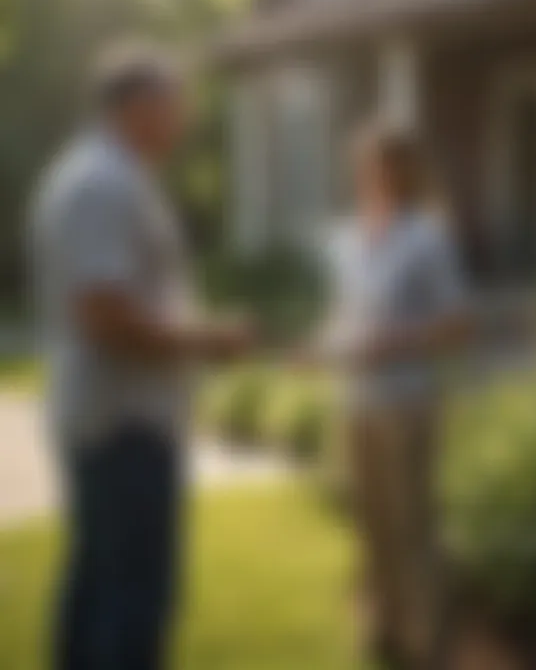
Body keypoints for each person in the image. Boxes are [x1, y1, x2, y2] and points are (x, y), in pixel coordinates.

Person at [30, 42, 257, 670]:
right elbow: (103, 315)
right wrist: (208, 339)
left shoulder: (106, 175)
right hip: (124, 425)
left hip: (115, 419)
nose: (184, 119)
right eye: (175, 103)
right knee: (131, 603)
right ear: (140, 106)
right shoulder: (103, 183)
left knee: (98, 588)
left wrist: (197, 336)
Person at [299, 122, 472, 669]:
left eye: (377, 163)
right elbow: (343, 317)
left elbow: (456, 325)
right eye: (362, 164)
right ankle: (386, 633)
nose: (367, 174)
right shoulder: (347, 238)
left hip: (408, 403)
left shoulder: (427, 237)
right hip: (357, 403)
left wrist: (394, 341)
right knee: (372, 526)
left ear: (403, 169)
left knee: (412, 526)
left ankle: (429, 644)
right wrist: (317, 348)